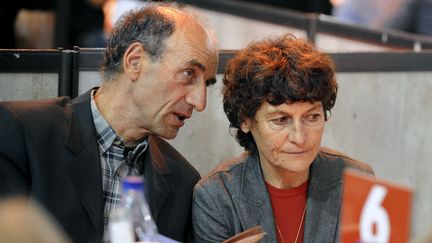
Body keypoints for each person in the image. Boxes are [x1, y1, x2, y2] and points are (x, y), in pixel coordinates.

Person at [0, 5, 218, 243]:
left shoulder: (182, 181)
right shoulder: (21, 132)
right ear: (135, 61)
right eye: (189, 74)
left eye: (206, 84)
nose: (200, 102)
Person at [192, 34, 374, 242]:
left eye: (312, 117)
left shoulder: (357, 181)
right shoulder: (216, 197)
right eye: (280, 120)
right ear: (246, 121)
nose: (299, 137)